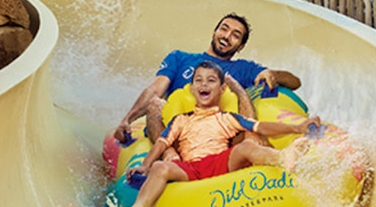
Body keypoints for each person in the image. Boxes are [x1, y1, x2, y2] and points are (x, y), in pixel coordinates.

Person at [122, 60, 319, 207]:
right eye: (198, 80)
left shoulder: (227, 118)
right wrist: (146, 165)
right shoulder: (180, 120)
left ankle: (283, 158)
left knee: (246, 147)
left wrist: (297, 127)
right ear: (191, 88)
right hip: (191, 167)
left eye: (211, 80)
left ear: (222, 89)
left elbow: (261, 127)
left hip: (221, 163)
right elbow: (161, 144)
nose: (204, 84)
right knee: (160, 167)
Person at [112, 13, 302, 142]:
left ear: (240, 46)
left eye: (235, 35)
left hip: (214, 133)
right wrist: (127, 120)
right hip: (173, 130)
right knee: (155, 104)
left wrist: (273, 74)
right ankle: (168, 159)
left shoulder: (244, 69)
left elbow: (295, 83)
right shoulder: (180, 57)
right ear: (214, 31)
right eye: (224, 29)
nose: (227, 36)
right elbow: (155, 89)